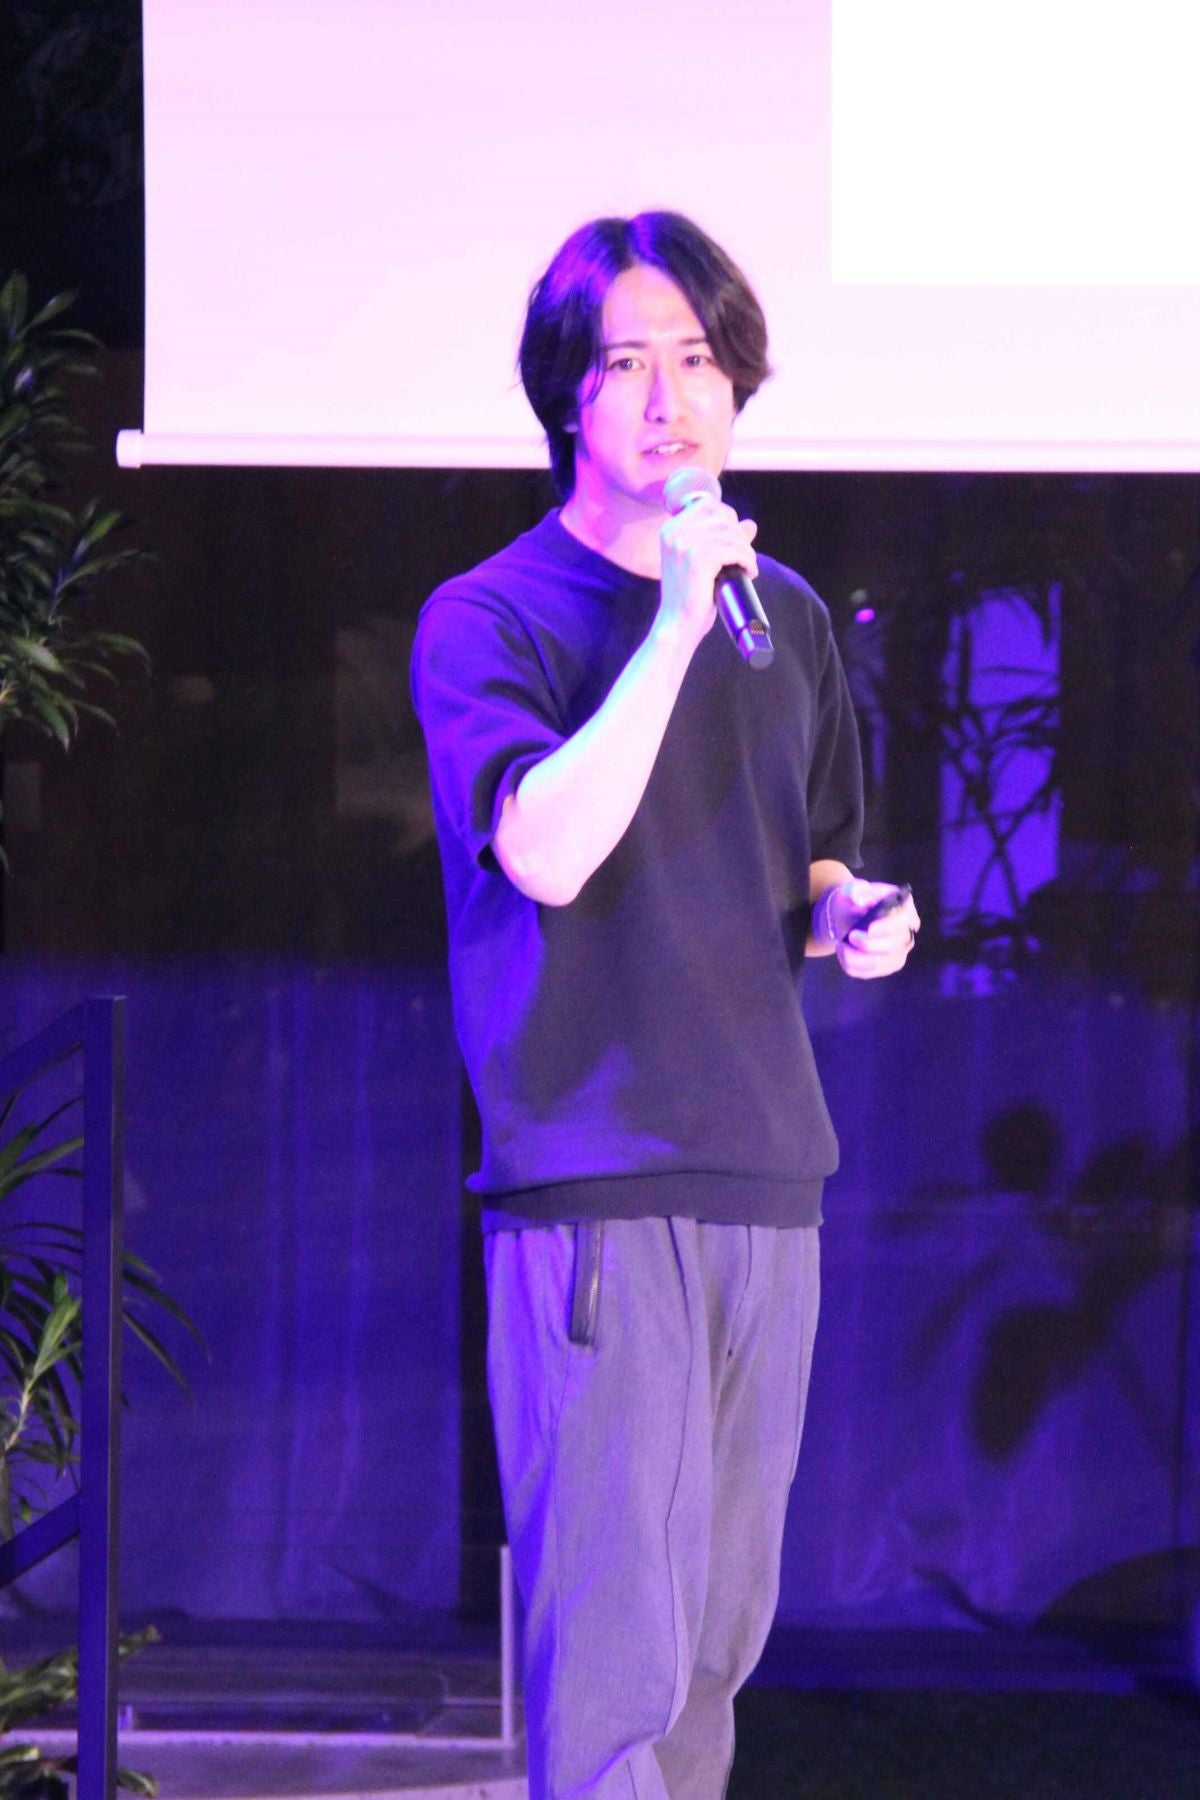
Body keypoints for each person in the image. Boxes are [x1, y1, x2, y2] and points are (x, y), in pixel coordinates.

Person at [411, 211, 919, 1800]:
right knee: (617, 1661)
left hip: (766, 1177)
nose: (668, 398)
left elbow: (813, 852)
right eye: (626, 363)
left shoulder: (793, 621)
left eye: (696, 359)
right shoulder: (490, 616)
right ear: (568, 397)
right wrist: (676, 626)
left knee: (712, 1656)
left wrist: (851, 913)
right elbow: (545, 852)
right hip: (596, 1184)